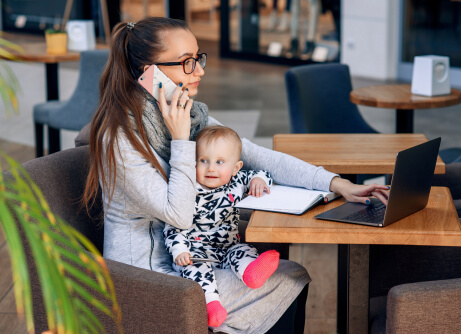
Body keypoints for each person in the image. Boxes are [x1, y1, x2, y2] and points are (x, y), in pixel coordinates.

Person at [82, 17, 389, 333]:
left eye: (198, 58)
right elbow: (179, 214)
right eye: (187, 63)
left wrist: (336, 183)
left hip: (193, 259)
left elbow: (255, 154)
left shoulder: (188, 114)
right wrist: (181, 140)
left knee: (286, 275)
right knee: (289, 278)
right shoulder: (120, 138)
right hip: (146, 280)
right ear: (149, 73)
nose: (200, 70)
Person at [165, 125, 279, 327]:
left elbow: (263, 173)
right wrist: (179, 251)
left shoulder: (236, 181)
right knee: (196, 272)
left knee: (242, 250)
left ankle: (251, 272)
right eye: (203, 161)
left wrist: (259, 180)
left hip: (227, 248)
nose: (211, 168)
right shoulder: (189, 190)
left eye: (219, 162)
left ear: (236, 167)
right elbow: (173, 226)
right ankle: (211, 305)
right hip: (194, 253)